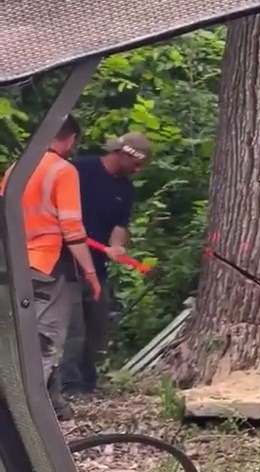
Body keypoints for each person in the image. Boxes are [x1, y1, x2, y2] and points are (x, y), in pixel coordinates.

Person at [0, 114, 102, 421]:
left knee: (21, 337)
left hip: (14, 262)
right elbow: (71, 228)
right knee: (45, 341)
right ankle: (22, 416)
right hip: (48, 265)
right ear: (71, 138)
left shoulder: (18, 168)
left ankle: (55, 404)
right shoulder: (63, 170)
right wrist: (91, 273)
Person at [60, 132, 150, 398]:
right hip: (66, 263)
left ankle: (88, 384)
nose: (138, 170)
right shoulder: (80, 170)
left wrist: (117, 246)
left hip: (97, 267)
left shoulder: (125, 189)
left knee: (96, 326)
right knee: (73, 329)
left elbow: (119, 225)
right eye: (136, 163)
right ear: (123, 154)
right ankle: (69, 387)